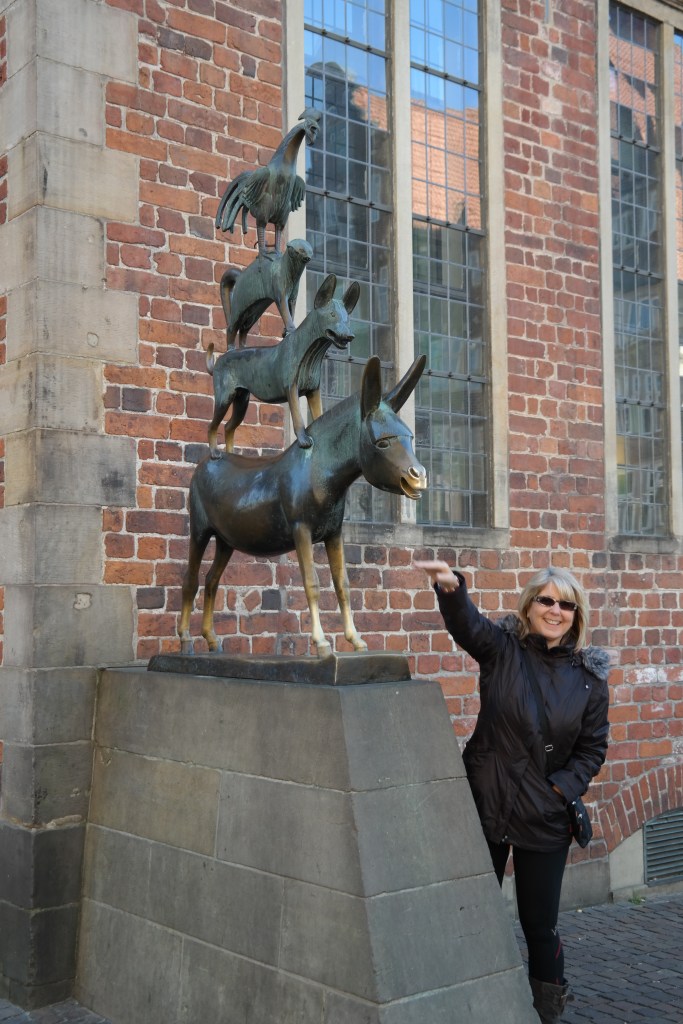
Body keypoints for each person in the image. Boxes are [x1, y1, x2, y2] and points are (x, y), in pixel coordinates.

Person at [415, 560, 610, 1024]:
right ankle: (465, 1005)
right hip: (485, 804)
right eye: (546, 599)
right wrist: (452, 588)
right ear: (529, 605)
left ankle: (547, 1011)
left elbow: (591, 750)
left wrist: (559, 791)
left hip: (543, 817)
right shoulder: (502, 650)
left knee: (539, 927)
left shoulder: (590, 681)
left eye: (566, 604)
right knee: (470, 914)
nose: (555, 610)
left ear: (576, 615)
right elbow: (468, 626)